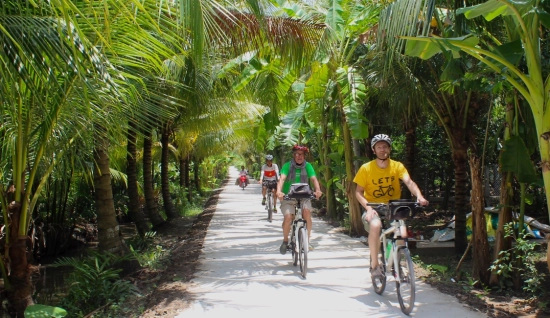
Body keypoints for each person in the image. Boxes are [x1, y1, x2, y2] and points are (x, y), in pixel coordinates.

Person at [353, 134, 429, 278]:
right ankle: (374, 266)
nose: (382, 149)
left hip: (393, 207)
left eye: (385, 146)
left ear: (389, 149)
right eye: (379, 147)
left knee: (403, 232)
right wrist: (368, 208)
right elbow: (358, 192)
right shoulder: (366, 168)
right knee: (375, 226)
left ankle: (396, 262)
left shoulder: (397, 166)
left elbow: (409, 182)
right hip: (373, 206)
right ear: (374, 150)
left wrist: (419, 196)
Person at [276, 145, 322, 254]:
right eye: (296, 154)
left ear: (304, 156)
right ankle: (285, 240)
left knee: (307, 213)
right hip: (288, 196)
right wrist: (279, 192)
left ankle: (307, 241)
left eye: (301, 154)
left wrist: (318, 190)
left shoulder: (308, 166)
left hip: (304, 196)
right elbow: (281, 179)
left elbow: (314, 179)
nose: (299, 156)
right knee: (288, 217)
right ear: (293, 155)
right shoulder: (287, 166)